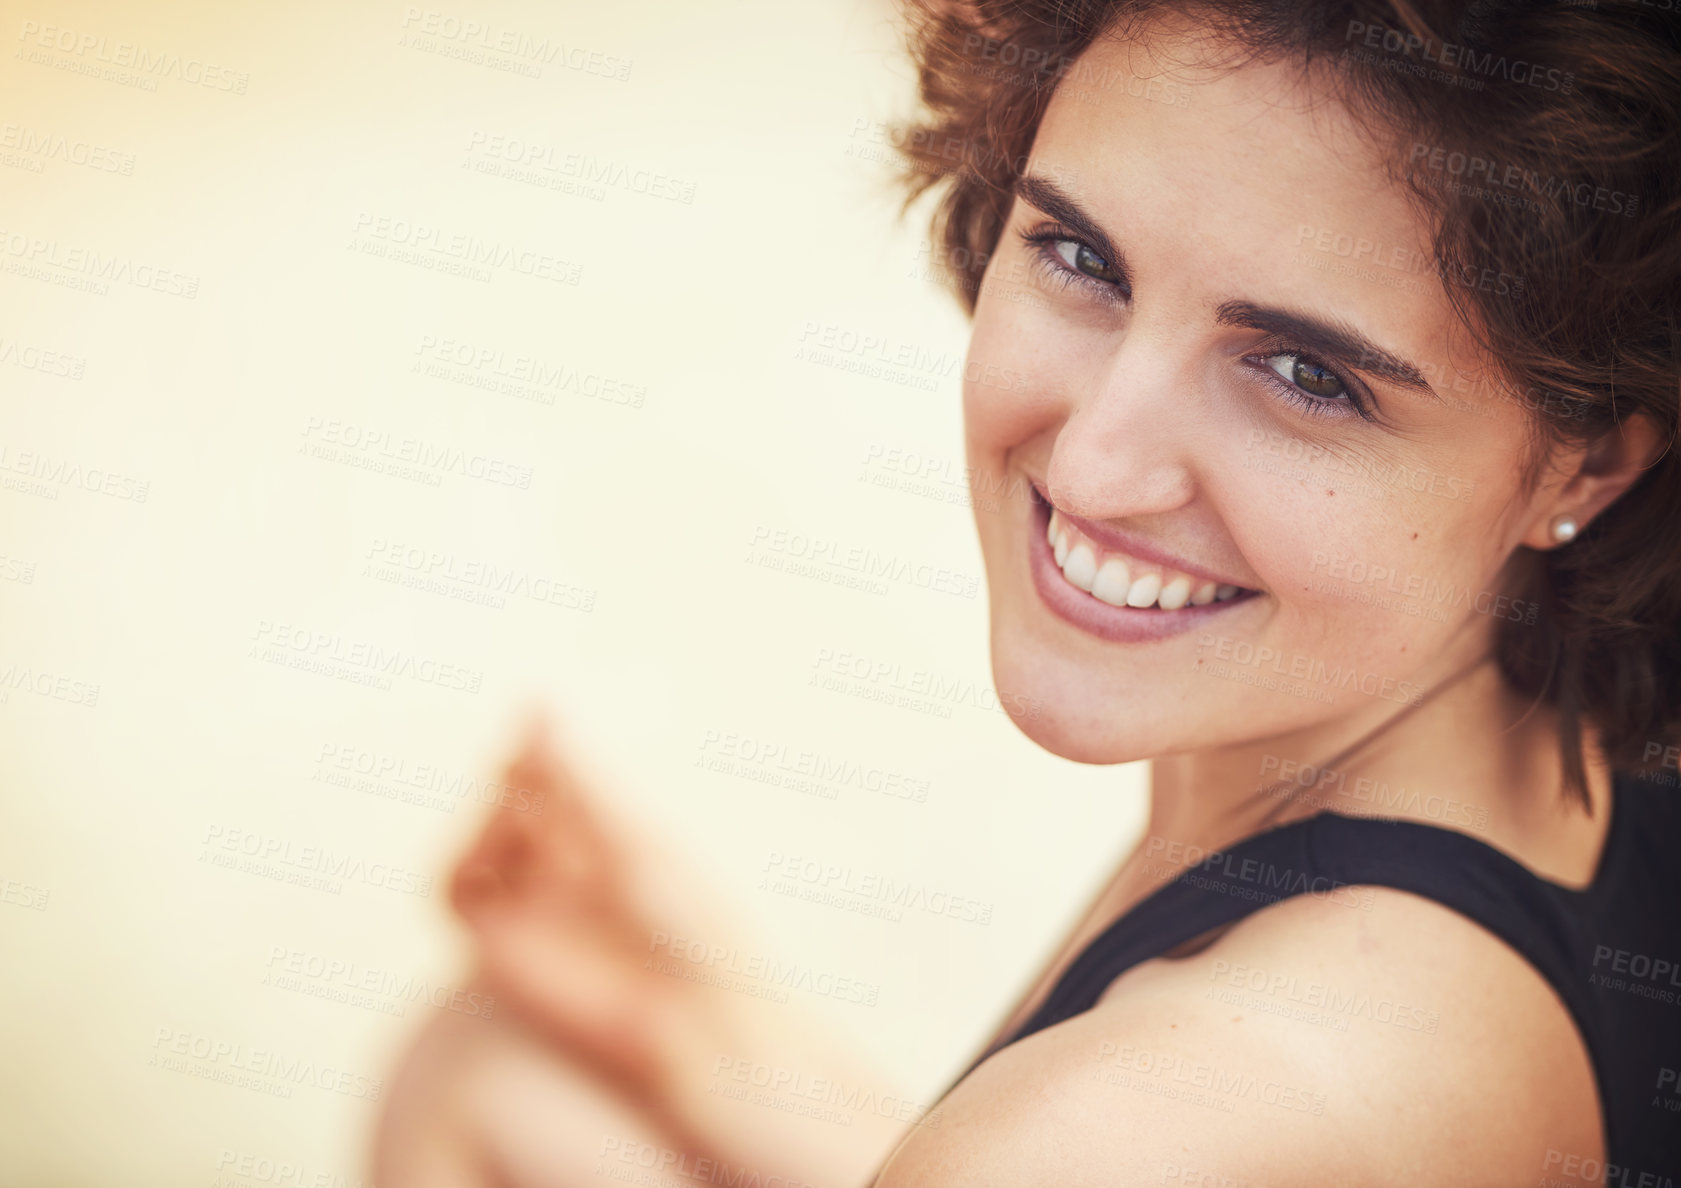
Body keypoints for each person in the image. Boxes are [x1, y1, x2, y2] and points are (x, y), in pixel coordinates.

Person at [373, 1, 1681, 1183]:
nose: (1097, 467)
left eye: (1302, 375)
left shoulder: (1198, 1098)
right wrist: (697, 1036)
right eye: (1081, 260)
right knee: (510, 1076)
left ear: (1591, 460)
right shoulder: (1551, 782)